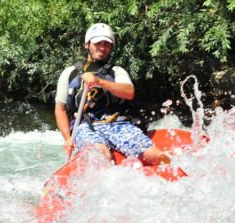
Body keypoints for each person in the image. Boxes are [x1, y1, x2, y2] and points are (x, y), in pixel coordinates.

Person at [54, 23, 169, 165]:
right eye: (98, 43)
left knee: (155, 156)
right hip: (85, 126)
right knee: (102, 155)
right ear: (87, 44)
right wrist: (67, 138)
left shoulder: (117, 71)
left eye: (107, 44)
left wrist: (99, 82)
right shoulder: (69, 73)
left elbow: (129, 92)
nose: (103, 48)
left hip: (118, 124)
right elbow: (60, 109)